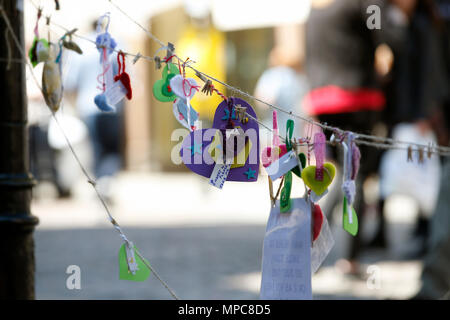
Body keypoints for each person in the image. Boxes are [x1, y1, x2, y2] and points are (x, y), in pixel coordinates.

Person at [303, 0, 410, 275]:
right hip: (357, 97)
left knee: (341, 175)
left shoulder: (317, 8)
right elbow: (388, 33)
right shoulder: (364, 3)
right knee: (356, 177)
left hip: (323, 99)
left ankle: (308, 243)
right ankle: (349, 258)